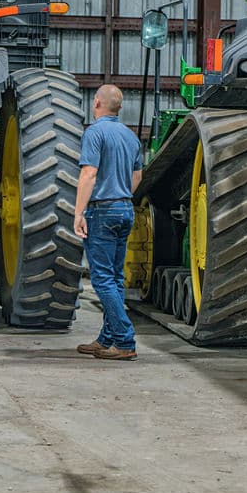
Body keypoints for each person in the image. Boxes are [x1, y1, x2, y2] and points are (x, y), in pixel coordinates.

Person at [73, 85, 143, 361]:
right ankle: (107, 338)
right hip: (125, 208)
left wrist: (79, 213)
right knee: (114, 278)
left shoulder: (95, 133)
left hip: (101, 211)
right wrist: (121, 197)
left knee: (102, 280)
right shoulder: (130, 136)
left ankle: (125, 340)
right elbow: (137, 177)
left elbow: (89, 174)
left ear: (97, 103)